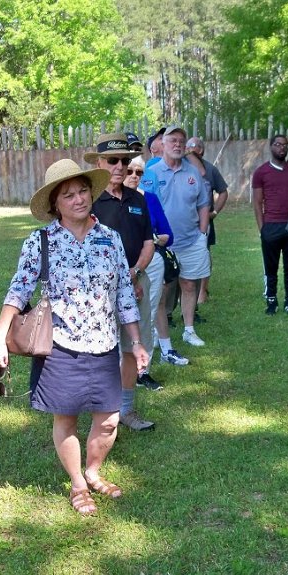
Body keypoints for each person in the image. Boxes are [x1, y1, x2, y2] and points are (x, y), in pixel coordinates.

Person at [0, 159, 149, 516]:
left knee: (109, 419)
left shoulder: (111, 239)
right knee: (66, 419)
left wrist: (136, 342)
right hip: (61, 346)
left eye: (82, 192)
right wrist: (0, 339)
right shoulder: (41, 241)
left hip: (106, 344)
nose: (78, 200)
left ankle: (93, 470)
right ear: (55, 204)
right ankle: (78, 483)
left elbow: (124, 292)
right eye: (68, 195)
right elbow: (18, 290)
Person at [85, 134, 155, 430]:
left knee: (130, 348)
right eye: (112, 161)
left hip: (136, 282)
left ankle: (126, 410)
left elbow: (148, 242)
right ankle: (100, 411)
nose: (120, 166)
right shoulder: (87, 201)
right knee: (98, 350)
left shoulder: (138, 199)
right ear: (99, 163)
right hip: (98, 291)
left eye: (125, 161)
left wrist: (136, 272)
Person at [141, 125, 211, 347]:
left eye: (182, 140)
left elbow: (203, 204)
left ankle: (189, 330)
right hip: (160, 244)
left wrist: (202, 232)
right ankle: (155, 332)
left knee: (189, 285)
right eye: (173, 140)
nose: (178, 144)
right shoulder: (151, 171)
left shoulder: (192, 172)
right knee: (160, 289)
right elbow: (142, 203)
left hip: (191, 239)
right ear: (162, 144)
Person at [123, 156, 188, 379]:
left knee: (146, 316)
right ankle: (118, 370)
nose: (133, 176)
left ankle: (143, 370)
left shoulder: (148, 199)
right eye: (129, 171)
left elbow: (168, 234)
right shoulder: (108, 200)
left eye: (138, 172)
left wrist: (158, 238)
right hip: (120, 266)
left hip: (149, 261)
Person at [252, 135, 288, 314]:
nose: (282, 148)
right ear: (271, 147)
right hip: (271, 225)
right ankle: (271, 300)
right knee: (271, 266)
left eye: (285, 145)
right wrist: (262, 229)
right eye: (278, 144)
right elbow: (257, 203)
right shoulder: (260, 172)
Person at [186, 136, 229, 305]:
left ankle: (203, 289)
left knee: (204, 253)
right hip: (184, 220)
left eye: (193, 147)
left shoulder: (210, 170)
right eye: (188, 147)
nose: (190, 150)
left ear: (201, 150)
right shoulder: (182, 168)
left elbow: (223, 192)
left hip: (204, 220)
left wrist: (215, 211)